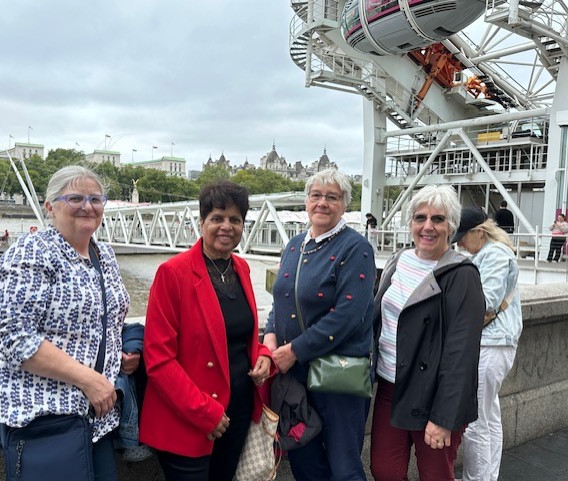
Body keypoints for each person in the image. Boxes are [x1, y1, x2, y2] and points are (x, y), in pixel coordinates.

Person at [0, 165, 135, 481]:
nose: (88, 206)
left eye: (96, 199)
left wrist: (122, 349)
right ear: (50, 206)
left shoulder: (104, 254)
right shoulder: (34, 250)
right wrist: (88, 379)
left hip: (98, 422)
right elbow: (10, 334)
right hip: (48, 421)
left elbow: (103, 320)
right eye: (75, 197)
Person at [140, 180, 275, 481]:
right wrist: (205, 413)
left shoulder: (241, 268)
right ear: (201, 223)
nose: (226, 226)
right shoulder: (172, 273)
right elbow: (158, 359)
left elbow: (242, 333)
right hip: (189, 416)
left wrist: (264, 355)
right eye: (217, 218)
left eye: (235, 220)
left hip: (236, 413)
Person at [263, 169, 377, 481]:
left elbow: (348, 315)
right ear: (306, 202)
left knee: (344, 468)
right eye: (316, 196)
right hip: (295, 377)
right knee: (304, 463)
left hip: (338, 376)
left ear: (344, 205)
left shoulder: (357, 249)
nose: (322, 203)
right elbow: (281, 297)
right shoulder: (295, 245)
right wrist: (270, 335)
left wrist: (295, 350)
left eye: (332, 197)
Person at [370, 185, 485, 481]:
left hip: (433, 395)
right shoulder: (398, 261)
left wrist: (443, 418)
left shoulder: (462, 275)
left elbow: (462, 354)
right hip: (389, 387)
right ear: (410, 223)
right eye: (420, 218)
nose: (428, 226)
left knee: (435, 475)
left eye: (438, 219)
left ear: (452, 227)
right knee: (384, 470)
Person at [453, 207, 522, 481]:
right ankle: (487, 477)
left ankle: (477, 479)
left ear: (478, 233)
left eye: (461, 237)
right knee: (489, 416)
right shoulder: (494, 251)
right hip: (498, 343)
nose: (458, 243)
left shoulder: (492, 254)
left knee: (476, 421)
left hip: (491, 344)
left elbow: (487, 302)